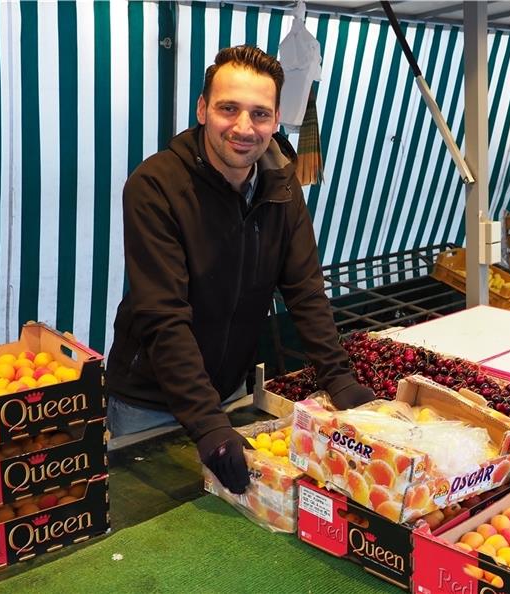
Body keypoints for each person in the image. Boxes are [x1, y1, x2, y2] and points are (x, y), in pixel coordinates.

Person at [106, 45, 375, 495]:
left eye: (260, 114)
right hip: (148, 403)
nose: (244, 128)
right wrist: (207, 424)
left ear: (275, 119)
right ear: (202, 109)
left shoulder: (282, 184)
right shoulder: (156, 186)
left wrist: (339, 379)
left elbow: (305, 291)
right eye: (229, 108)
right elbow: (164, 315)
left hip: (230, 393)